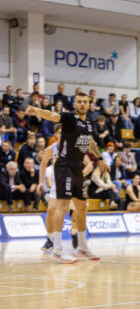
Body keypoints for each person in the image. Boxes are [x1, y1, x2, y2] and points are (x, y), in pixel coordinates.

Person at [26, 92, 105, 263]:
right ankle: (57, 249)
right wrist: (37, 110)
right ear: (75, 104)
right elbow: (53, 115)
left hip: (78, 167)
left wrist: (99, 158)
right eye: (79, 102)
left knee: (82, 207)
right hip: (64, 166)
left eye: (85, 101)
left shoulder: (89, 123)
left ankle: (82, 247)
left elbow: (90, 143)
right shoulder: (69, 118)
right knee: (61, 206)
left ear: (89, 103)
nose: (83, 104)